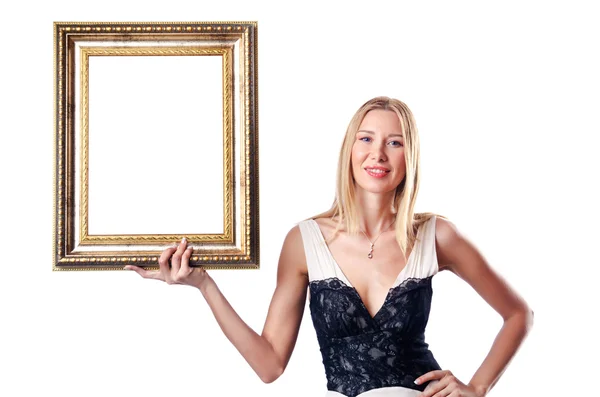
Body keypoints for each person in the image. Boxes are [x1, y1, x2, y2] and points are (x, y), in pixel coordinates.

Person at [125, 96, 533, 397]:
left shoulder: (437, 236)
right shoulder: (305, 241)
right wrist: (203, 284)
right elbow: (269, 365)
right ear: (349, 151)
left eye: (395, 142)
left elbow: (518, 314)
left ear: (411, 156)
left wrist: (478, 387)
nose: (378, 153)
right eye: (367, 138)